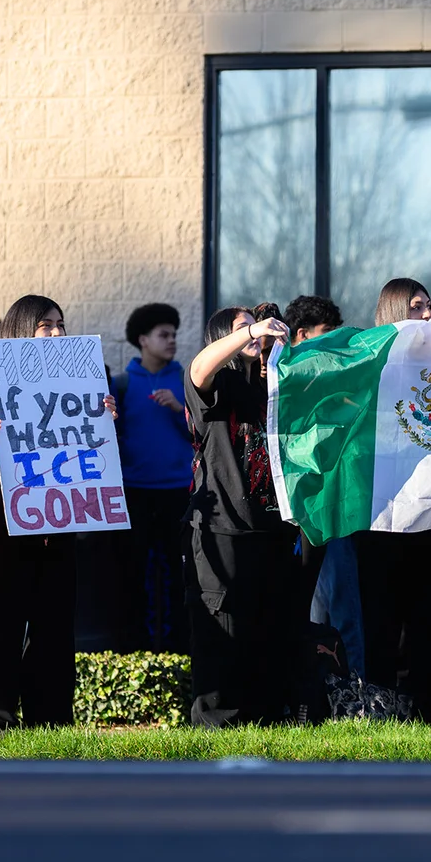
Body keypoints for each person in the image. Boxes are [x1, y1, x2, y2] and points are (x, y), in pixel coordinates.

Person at [0, 295, 89, 735]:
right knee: (3, 627)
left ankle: (52, 722)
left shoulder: (81, 379)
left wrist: (101, 422)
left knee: (55, 629)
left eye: (61, 324)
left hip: (60, 526)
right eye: (46, 325)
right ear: (23, 329)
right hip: (8, 526)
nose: (58, 333)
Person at [352, 279, 431, 724]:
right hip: (381, 518)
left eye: (430, 307)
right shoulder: (367, 363)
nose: (428, 316)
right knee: (382, 623)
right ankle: (382, 713)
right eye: (417, 307)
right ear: (394, 310)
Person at [185, 304, 297, 726]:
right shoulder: (219, 382)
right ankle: (218, 726)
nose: (254, 333)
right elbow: (199, 368)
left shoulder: (272, 384)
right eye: (242, 328)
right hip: (222, 528)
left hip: (273, 529)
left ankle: (265, 718)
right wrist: (248, 333)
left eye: (256, 326)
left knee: (267, 629)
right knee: (223, 631)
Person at [112, 303, 193, 652]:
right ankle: (137, 652)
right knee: (133, 575)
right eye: (164, 335)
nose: (172, 340)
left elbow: (203, 434)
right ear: (143, 340)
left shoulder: (187, 380)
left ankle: (178, 650)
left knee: (179, 576)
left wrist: (179, 408)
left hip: (180, 493)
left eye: (174, 334)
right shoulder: (122, 383)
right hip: (135, 494)